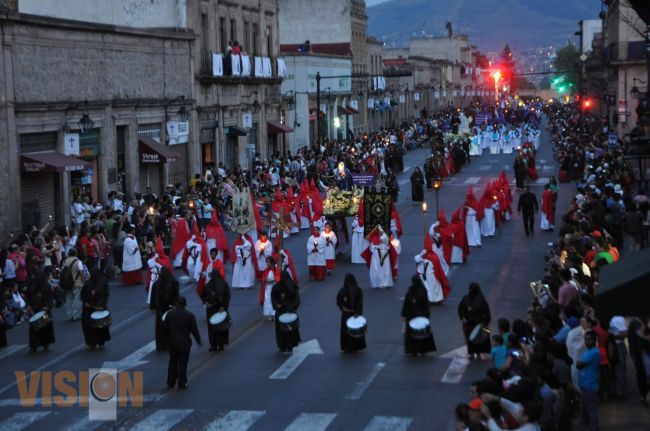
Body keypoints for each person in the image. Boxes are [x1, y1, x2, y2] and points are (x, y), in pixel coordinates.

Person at [165, 296, 201, 390]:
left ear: (176, 304)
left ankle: (170, 382)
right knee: (183, 363)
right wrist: (198, 340)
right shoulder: (189, 315)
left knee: (172, 362)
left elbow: (165, 328)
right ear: (185, 305)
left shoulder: (170, 314)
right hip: (185, 343)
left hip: (172, 343)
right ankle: (182, 382)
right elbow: (194, 330)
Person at [401, 275, 436, 356]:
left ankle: (416, 350)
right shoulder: (416, 292)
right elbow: (406, 304)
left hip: (417, 316)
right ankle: (417, 350)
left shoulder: (418, 292)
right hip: (415, 316)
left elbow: (424, 304)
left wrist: (404, 315)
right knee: (418, 334)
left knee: (417, 334)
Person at [458, 282, 491, 360]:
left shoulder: (481, 300)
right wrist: (463, 317)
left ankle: (478, 352)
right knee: (470, 338)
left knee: (477, 338)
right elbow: (461, 308)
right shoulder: (466, 298)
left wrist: (484, 322)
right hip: (469, 323)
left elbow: (486, 312)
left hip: (478, 322)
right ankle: (472, 353)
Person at [150, 265, 179, 351]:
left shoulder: (171, 284)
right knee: (165, 328)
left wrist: (153, 307)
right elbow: (153, 296)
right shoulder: (171, 283)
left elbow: (153, 297)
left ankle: (164, 345)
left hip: (165, 309)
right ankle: (165, 345)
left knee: (164, 328)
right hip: (165, 309)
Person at [80, 267, 110, 350]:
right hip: (89, 308)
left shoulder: (101, 281)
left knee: (99, 327)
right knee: (89, 326)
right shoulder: (89, 282)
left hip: (98, 307)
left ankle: (100, 342)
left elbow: (105, 294)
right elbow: (83, 294)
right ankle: (91, 343)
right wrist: (86, 302)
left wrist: (100, 305)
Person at [271, 271, 301, 353]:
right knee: (281, 330)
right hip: (280, 312)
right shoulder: (277, 287)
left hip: (289, 311)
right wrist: (277, 305)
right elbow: (273, 297)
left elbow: (296, 300)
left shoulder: (292, 287)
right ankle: (282, 346)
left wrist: (291, 307)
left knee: (290, 330)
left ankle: (290, 346)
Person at [201, 268, 230, 352]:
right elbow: (203, 295)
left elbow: (227, 297)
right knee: (213, 327)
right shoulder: (208, 285)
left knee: (220, 327)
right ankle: (214, 345)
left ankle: (220, 345)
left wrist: (224, 307)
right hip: (212, 309)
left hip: (219, 309)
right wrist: (206, 302)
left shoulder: (223, 284)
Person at [26, 273, 55, 353]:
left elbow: (50, 298)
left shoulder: (47, 287)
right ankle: (34, 346)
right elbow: (27, 297)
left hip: (44, 311)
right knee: (34, 329)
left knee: (46, 326)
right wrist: (29, 306)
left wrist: (47, 307)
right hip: (35, 311)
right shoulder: (32, 287)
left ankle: (46, 344)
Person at [336, 274, 366, 353]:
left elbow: (338, 301)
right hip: (353, 314)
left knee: (346, 331)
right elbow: (359, 304)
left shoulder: (343, 290)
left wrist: (343, 307)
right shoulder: (358, 290)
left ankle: (346, 347)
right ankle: (354, 347)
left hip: (347, 314)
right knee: (354, 330)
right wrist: (358, 313)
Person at [577, 331, 600, 431]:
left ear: (595, 340)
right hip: (585, 384)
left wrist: (579, 363)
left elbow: (579, 365)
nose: (587, 341)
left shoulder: (594, 352)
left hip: (590, 385)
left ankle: (594, 428)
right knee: (586, 406)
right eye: (586, 339)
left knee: (592, 409)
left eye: (590, 339)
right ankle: (586, 422)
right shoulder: (588, 351)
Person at [62, 248, 85, 321]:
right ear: (76, 253)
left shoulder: (65, 261)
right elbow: (81, 273)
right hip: (77, 282)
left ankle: (70, 314)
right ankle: (76, 315)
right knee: (77, 299)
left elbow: (62, 271)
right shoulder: (78, 262)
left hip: (67, 283)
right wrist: (83, 282)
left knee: (69, 299)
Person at [260, 256, 278, 321]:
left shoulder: (276, 269)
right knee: (268, 300)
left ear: (272, 262)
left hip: (274, 287)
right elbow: (263, 279)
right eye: (266, 262)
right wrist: (265, 280)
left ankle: (275, 314)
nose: (267, 263)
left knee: (274, 300)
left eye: (268, 262)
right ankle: (270, 314)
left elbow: (278, 278)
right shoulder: (266, 270)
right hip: (268, 288)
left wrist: (273, 281)